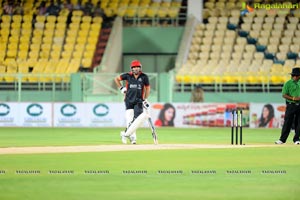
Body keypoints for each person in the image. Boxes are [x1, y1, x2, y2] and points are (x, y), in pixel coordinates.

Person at [114, 60, 150, 144]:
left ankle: (125, 134)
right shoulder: (127, 75)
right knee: (129, 119)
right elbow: (116, 79)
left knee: (137, 119)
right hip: (128, 100)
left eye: (137, 67)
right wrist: (121, 88)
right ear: (132, 69)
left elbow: (147, 88)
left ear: (140, 68)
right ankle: (133, 137)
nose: (136, 69)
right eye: (134, 67)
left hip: (139, 101)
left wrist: (145, 99)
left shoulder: (144, 77)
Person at [275, 67, 300, 145]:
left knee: (299, 123)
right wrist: (293, 98)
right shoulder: (288, 83)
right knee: (287, 122)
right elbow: (284, 94)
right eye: (293, 75)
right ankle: (282, 139)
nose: (295, 77)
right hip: (290, 105)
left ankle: (297, 139)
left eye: (296, 75)